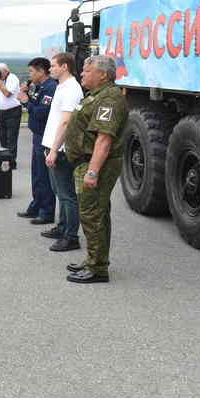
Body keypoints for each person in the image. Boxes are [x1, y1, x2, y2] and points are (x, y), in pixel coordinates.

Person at [63, 55, 128, 284]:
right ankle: (94, 259)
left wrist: (92, 171)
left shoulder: (109, 99)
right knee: (96, 213)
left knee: (92, 214)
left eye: (86, 71)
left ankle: (97, 268)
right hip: (86, 160)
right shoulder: (96, 95)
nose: (82, 74)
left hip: (95, 163)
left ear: (103, 74)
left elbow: (104, 139)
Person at [42, 52, 85, 252]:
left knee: (67, 195)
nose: (50, 69)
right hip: (52, 146)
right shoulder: (62, 86)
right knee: (59, 191)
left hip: (60, 149)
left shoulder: (71, 89)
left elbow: (66, 122)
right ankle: (62, 227)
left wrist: (54, 150)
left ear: (65, 66)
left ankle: (71, 236)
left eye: (53, 66)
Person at [16, 58, 57, 225]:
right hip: (37, 135)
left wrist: (27, 102)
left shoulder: (50, 88)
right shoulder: (40, 87)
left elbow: (42, 112)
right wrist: (26, 96)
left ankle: (46, 212)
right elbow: (34, 106)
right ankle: (36, 206)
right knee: (36, 175)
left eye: (32, 71)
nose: (29, 75)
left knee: (44, 176)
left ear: (41, 71)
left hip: (45, 136)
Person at [0, 62, 22, 167]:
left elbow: (7, 93)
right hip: (2, 112)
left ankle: (12, 161)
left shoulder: (12, 78)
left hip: (13, 111)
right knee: (3, 138)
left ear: (6, 71)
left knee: (11, 138)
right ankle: (5, 159)